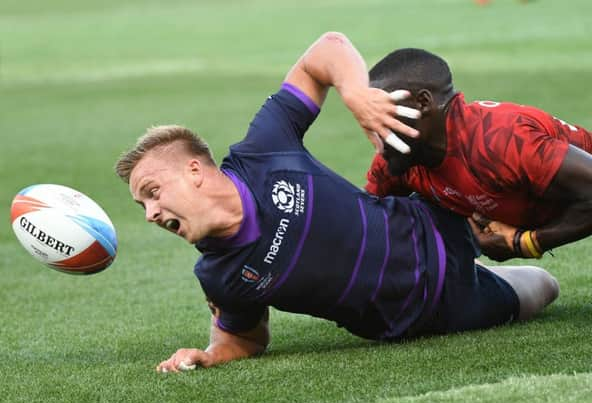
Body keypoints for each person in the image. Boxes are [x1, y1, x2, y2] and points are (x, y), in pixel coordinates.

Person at [115, 32, 558, 373]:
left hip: (436, 219)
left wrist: (356, 94)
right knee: (546, 286)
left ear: (195, 170)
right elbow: (245, 339)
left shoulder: (263, 149)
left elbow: (325, 51)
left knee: (538, 193)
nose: (152, 213)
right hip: (439, 310)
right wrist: (211, 355)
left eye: (153, 192)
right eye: (143, 207)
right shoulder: (220, 275)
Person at [364, 47, 592, 261]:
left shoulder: (498, 141)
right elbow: (364, 227)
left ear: (422, 103)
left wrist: (526, 243)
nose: (374, 128)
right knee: (402, 214)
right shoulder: (397, 158)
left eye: (383, 113)